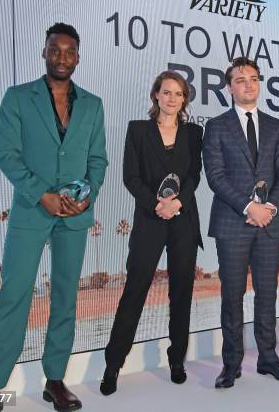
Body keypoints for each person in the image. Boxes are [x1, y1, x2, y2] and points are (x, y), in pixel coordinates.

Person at [0, 23, 108, 412]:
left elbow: (98, 160)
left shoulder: (93, 105)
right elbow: (6, 152)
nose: (62, 57)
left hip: (75, 218)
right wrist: (41, 194)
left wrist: (87, 196)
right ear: (44, 52)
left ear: (78, 57)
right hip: (32, 211)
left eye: (69, 51)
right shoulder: (17, 98)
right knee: (13, 297)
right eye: (55, 49)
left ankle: (56, 382)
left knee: (65, 299)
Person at [100, 71, 203, 395]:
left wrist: (178, 203)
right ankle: (113, 365)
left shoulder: (193, 133)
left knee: (182, 293)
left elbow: (194, 175)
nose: (172, 98)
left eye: (179, 94)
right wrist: (157, 204)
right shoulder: (138, 130)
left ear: (185, 100)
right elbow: (130, 176)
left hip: (183, 220)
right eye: (167, 92)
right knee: (135, 290)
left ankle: (176, 359)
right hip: (150, 219)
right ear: (155, 95)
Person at [202, 57, 279, 388]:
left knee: (267, 295)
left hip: (269, 222)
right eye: (240, 80)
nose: (248, 85)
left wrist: (268, 206)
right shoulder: (215, 126)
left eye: (253, 79)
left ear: (260, 84)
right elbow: (215, 176)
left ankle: (269, 360)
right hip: (232, 223)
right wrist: (248, 207)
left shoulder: (274, 125)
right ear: (229, 87)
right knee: (232, 295)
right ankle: (231, 364)